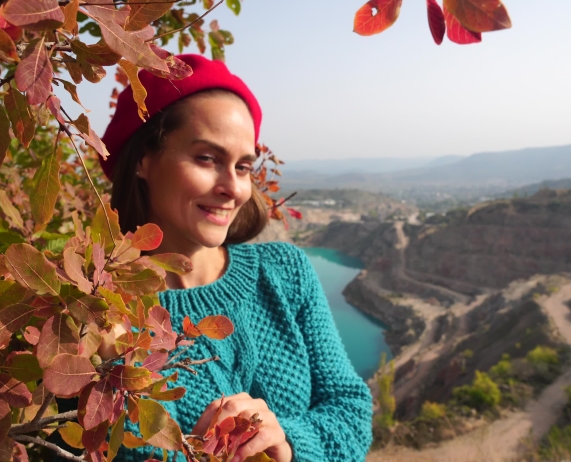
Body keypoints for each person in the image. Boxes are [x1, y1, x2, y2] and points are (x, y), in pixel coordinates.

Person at [94, 54, 373, 461]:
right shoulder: (101, 312)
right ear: (143, 159)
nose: (233, 188)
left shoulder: (286, 273)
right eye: (207, 158)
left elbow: (351, 413)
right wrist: (119, 369)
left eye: (243, 166)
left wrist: (288, 443)